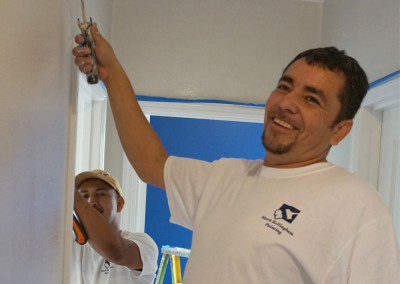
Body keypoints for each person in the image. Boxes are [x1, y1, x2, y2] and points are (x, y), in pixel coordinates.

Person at [72, 24, 400, 283]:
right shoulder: (226, 176)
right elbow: (151, 162)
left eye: (311, 99)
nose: (287, 103)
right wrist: (111, 74)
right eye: (285, 86)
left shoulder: (358, 208)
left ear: (340, 129)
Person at [71, 169, 158, 284]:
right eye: (84, 196)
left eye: (100, 194)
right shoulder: (71, 243)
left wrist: (70, 192)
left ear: (119, 204)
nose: (91, 202)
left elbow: (115, 251)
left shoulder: (144, 243)